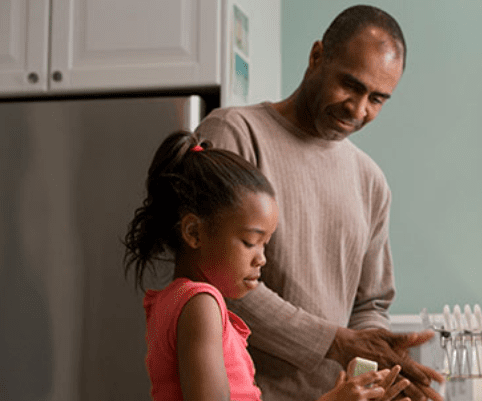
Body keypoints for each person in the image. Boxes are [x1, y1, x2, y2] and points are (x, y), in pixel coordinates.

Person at [195, 4, 444, 401]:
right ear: (316, 58)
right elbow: (213, 277)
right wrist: (336, 342)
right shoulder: (234, 134)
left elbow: (371, 301)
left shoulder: (371, 181)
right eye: (351, 85)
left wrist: (377, 355)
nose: (358, 109)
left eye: (377, 99)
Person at [123, 130, 411, 401]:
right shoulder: (200, 304)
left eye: (265, 244)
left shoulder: (173, 300)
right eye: (250, 242)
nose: (261, 258)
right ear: (194, 233)